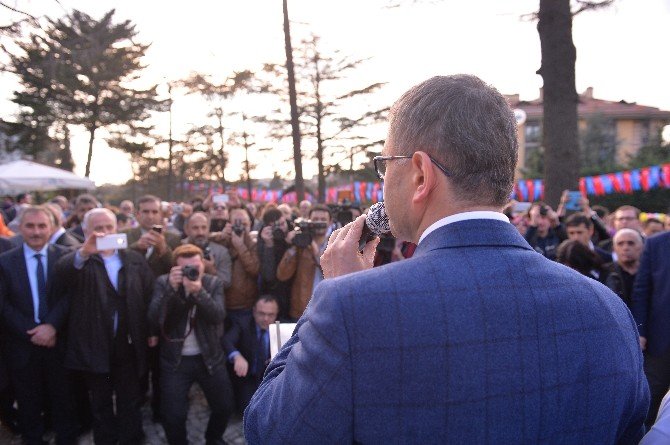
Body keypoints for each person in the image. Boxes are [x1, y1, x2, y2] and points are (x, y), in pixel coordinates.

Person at [244, 75, 649, 443]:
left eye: (384, 166)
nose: (382, 183)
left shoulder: (350, 307)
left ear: (420, 174)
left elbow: (270, 431)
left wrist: (335, 292)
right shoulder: (608, 310)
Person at [58, 208, 154, 444]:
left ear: (117, 228)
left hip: (127, 342)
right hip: (93, 343)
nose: (104, 232)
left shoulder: (132, 258)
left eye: (108, 227)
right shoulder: (80, 257)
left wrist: (150, 332)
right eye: (98, 228)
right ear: (86, 231)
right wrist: (84, 252)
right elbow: (61, 274)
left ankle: (131, 437)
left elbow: (148, 296)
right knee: (100, 401)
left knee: (129, 398)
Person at [0, 206, 76, 445]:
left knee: (63, 398)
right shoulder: (4, 262)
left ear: (52, 228)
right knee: (28, 401)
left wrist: (51, 326)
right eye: (30, 226)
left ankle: (66, 439)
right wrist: (32, 332)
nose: (36, 232)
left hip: (59, 341)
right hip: (23, 344)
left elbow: (70, 296)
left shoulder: (66, 256)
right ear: (20, 228)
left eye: (42, 226)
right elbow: (3, 304)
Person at [148, 244, 233, 445]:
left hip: (209, 357)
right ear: (174, 269)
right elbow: (153, 318)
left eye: (195, 266)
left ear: (203, 265)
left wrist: (199, 292)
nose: (191, 272)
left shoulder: (212, 283)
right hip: (175, 361)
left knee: (224, 406)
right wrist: (171, 289)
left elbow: (218, 316)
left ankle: (213, 438)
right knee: (173, 415)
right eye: (185, 268)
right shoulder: (164, 283)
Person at [632, 228, 670, 427]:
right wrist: (640, 331)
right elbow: (642, 290)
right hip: (660, 338)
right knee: (651, 398)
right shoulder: (656, 244)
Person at [223, 295, 279, 414]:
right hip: (248, 378)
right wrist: (237, 356)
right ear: (254, 311)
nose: (265, 318)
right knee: (247, 410)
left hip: (271, 379)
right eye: (261, 313)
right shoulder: (243, 323)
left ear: (277, 314)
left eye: (271, 315)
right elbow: (227, 340)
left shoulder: (282, 327)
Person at [276, 205, 333, 320]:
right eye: (315, 219)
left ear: (330, 222)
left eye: (323, 220)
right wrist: (292, 246)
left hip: (328, 309)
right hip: (302, 310)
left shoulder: (336, 243)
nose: (318, 223)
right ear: (309, 221)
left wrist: (312, 246)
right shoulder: (300, 244)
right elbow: (282, 275)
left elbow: (331, 271)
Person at [182, 212, 232, 287]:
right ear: (187, 230)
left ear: (209, 229)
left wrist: (211, 270)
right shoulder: (178, 250)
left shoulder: (221, 252)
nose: (200, 232)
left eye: (204, 227)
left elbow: (226, 283)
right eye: (195, 228)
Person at [605, 228, 644, 310]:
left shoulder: (651, 273)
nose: (626, 248)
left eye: (631, 243)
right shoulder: (604, 272)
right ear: (614, 249)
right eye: (620, 244)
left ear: (641, 247)